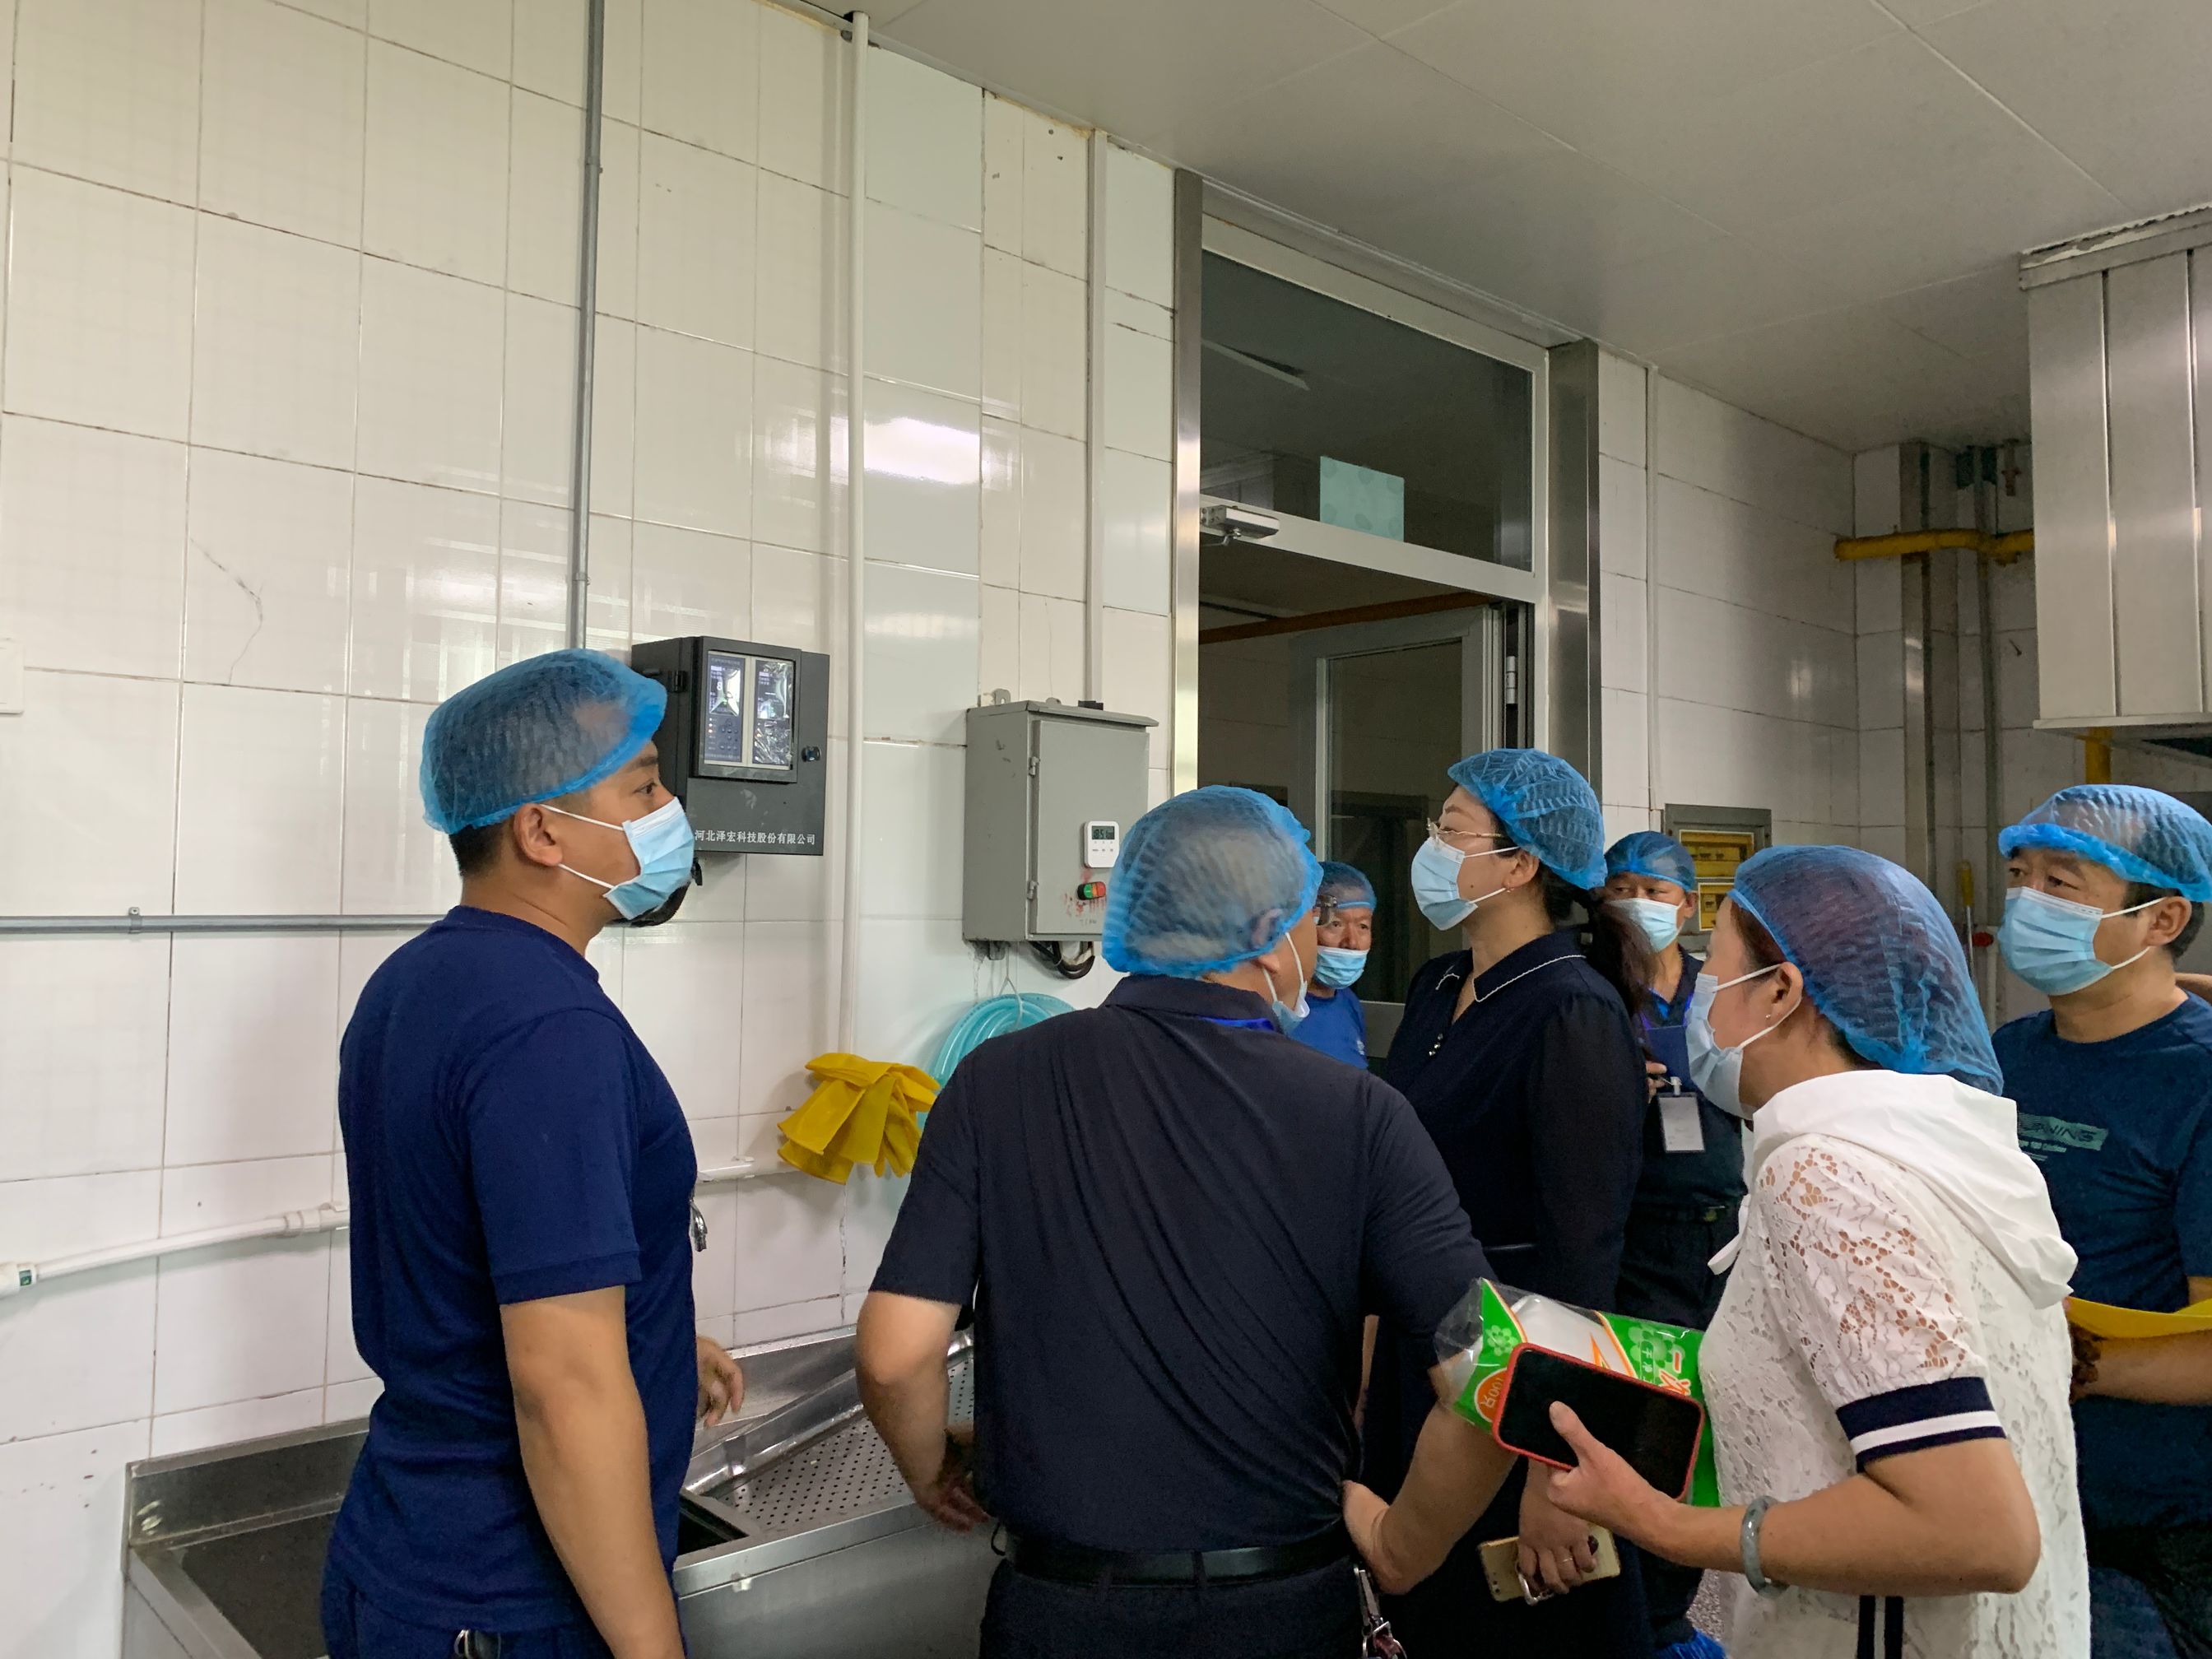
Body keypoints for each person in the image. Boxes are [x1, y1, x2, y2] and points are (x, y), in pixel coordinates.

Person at [854, 788, 1518, 1659]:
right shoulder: (1359, 1115)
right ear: (1270, 933)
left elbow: (895, 1356)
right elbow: (1495, 1376)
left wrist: (931, 1469)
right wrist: (1403, 1551)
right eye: (1311, 917)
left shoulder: (995, 1081)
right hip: (1280, 1613)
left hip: (1060, 1612)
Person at [1542, 845, 2088, 1659]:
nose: (1702, 1000)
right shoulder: (1941, 1148)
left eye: (1717, 971)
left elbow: (1976, 1530)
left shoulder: (1827, 1174)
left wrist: (1661, 1522)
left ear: (1780, 991)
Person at [324, 650, 743, 1659]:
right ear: (541, 831)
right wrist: (652, 1648)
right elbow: (563, 1387)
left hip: (407, 1552)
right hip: (513, 1598)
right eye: (643, 787)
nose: (671, 810)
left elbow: (474, 1249)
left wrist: (650, 1341)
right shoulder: (548, 1028)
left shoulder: (417, 981)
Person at [1359, 748, 1655, 1655]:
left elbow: (1583, 1256)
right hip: (1423, 1352)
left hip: (1520, 1369)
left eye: (1452, 831)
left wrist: (1554, 1462)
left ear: (1520, 863)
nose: (1432, 846)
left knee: (1515, 1625)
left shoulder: (1571, 1009)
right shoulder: (1439, 987)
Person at [1992, 784, 2212, 1657]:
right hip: (2013, 1495)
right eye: (2019, 875)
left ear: (2162, 919)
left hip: (2155, 1534)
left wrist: (2062, 1364)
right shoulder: (2006, 1057)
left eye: (2061, 882)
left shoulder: (2196, 1080)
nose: (2026, 901)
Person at [1602, 830, 1744, 1658]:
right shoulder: (1595, 989)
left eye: (1652, 891)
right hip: (1638, 1236)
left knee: (1712, 1421)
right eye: (1620, 888)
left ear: (1686, 905)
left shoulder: (1713, 989)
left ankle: (1677, 1604)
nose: (1636, 905)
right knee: (1647, 1424)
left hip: (1722, 1233)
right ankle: (1645, 1618)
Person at [1290, 860, 1376, 1069]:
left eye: (1363, 926)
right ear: (1303, 925)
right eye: (1336, 924)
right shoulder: (1283, 1008)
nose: (1352, 942)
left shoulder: (1348, 1003)